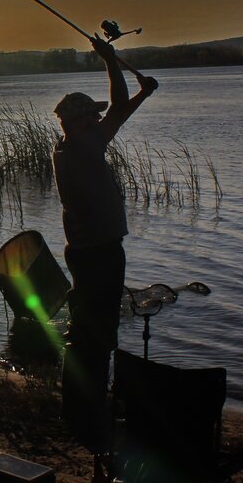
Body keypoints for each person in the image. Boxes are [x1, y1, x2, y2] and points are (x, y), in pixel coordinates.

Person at [52, 36, 158, 454]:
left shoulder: (77, 147)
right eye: (90, 118)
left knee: (89, 332)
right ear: (76, 123)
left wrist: (142, 95)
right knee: (96, 335)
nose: (98, 122)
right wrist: (111, 61)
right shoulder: (80, 149)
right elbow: (115, 109)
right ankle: (86, 412)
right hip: (97, 255)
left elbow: (115, 116)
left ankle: (82, 407)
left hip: (92, 252)